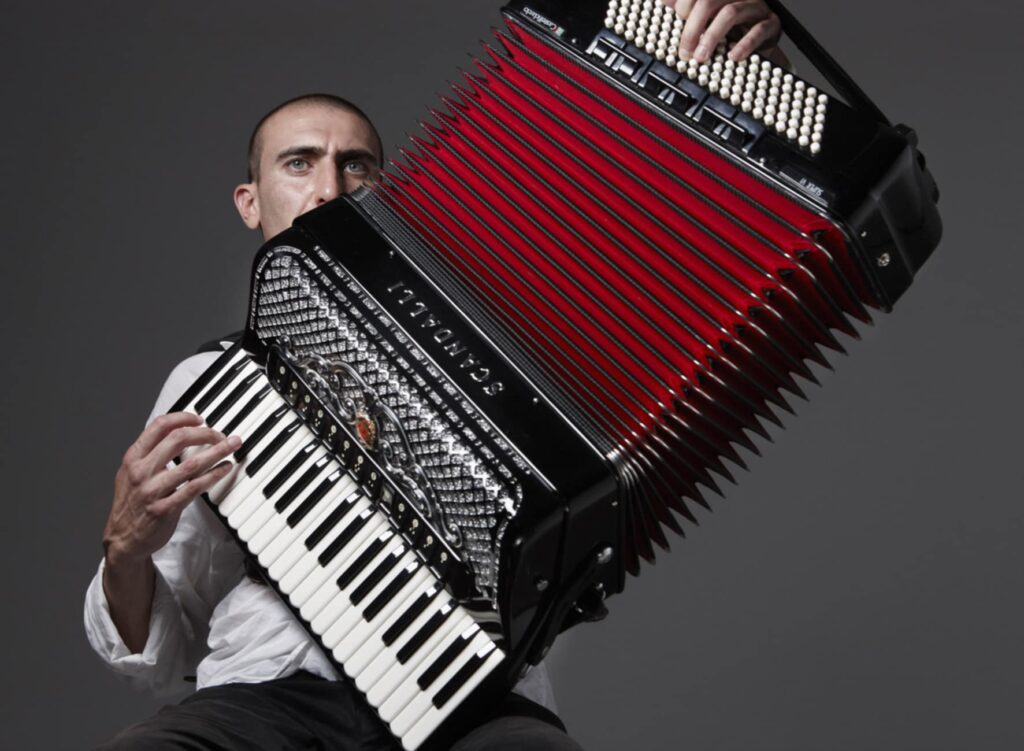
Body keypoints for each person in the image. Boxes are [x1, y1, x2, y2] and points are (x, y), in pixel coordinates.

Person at [85, 2, 785, 748]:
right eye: (299, 163)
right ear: (249, 202)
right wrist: (124, 548)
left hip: (478, 706)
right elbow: (163, 649)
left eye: (356, 165)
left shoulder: (508, 328)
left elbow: (636, 207)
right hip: (270, 695)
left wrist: (736, 62)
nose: (329, 189)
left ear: (387, 190)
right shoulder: (212, 380)